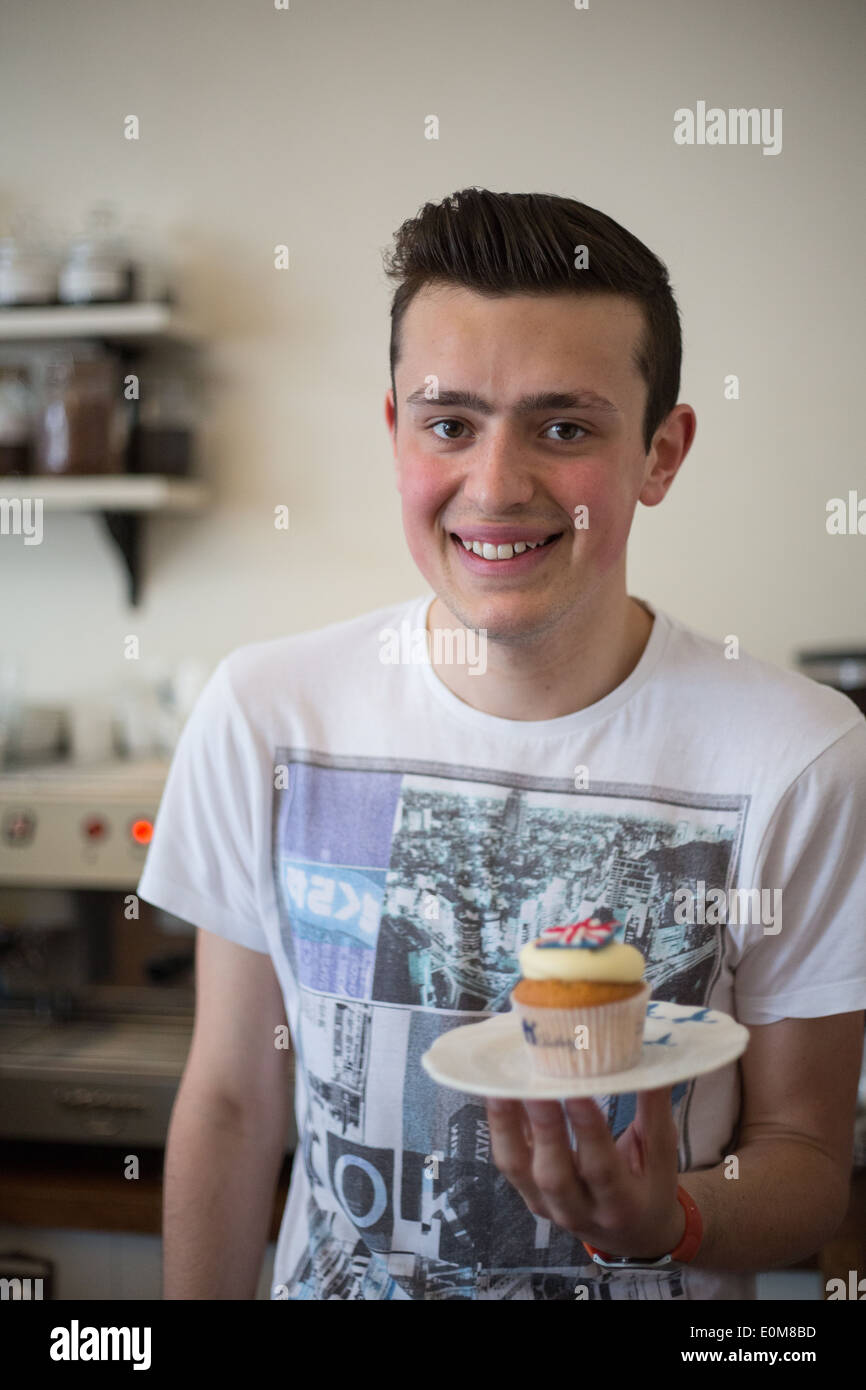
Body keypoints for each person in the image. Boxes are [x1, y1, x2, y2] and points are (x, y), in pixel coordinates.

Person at [138, 187, 866, 1301]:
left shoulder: (797, 754)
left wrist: (666, 1216)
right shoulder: (266, 712)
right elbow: (233, 1100)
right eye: (449, 423)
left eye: (563, 427)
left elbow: (808, 1160)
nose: (494, 484)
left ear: (659, 454)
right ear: (395, 434)